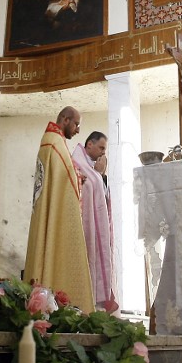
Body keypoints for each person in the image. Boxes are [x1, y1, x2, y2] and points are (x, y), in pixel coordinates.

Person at [23, 106, 94, 313]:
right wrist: (78, 179)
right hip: (55, 215)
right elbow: (65, 179)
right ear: (65, 120)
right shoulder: (55, 144)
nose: (78, 130)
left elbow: (61, 177)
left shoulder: (50, 141)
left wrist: (75, 175)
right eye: (76, 124)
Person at [71, 131, 117, 313]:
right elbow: (83, 189)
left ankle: (96, 302)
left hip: (95, 227)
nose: (103, 153)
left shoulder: (93, 167)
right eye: (101, 148)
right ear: (89, 144)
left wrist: (101, 176)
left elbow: (102, 194)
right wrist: (98, 175)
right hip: (83, 228)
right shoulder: (75, 163)